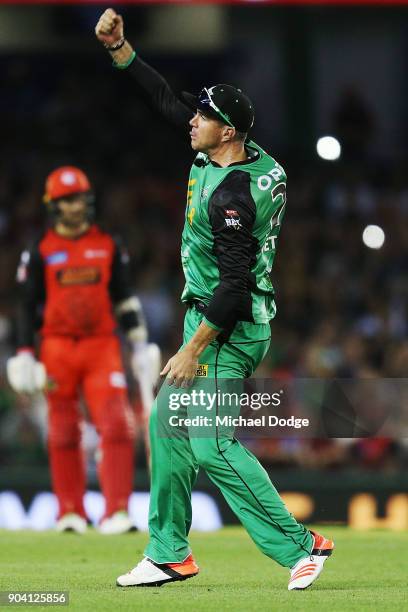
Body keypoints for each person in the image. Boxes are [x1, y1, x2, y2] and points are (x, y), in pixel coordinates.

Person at [95, 9, 334, 590]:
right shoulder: (230, 154)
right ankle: (168, 552)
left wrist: (192, 346)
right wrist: (121, 48)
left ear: (227, 131)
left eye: (204, 115)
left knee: (211, 444)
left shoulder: (234, 197)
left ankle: (304, 544)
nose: (192, 119)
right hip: (214, 315)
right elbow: (166, 102)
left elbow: (233, 287)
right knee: (166, 428)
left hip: (228, 326)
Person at [7, 165, 159, 535]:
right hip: (57, 347)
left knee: (118, 426)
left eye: (79, 199)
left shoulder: (108, 245)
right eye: (67, 200)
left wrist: (138, 341)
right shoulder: (40, 249)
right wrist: (25, 351)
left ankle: (117, 512)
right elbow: (26, 305)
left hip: (101, 346)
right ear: (53, 205)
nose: (75, 207)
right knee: (61, 431)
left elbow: (123, 297)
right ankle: (70, 512)